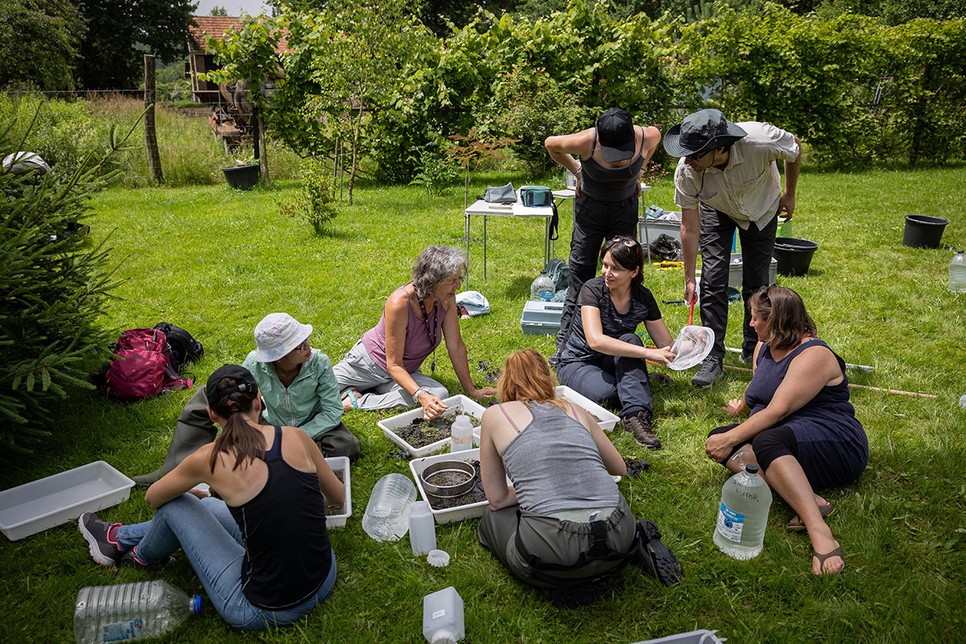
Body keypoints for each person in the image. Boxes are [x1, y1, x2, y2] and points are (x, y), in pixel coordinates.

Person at [80, 365, 346, 629]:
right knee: (206, 503)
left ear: (211, 414)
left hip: (261, 609)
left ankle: (137, 553)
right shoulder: (296, 436)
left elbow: (153, 498)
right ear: (258, 402)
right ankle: (119, 540)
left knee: (177, 504)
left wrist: (186, 491)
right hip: (323, 578)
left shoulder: (209, 457)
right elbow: (337, 496)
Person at [477, 350, 683, 606]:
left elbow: (496, 499)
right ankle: (632, 549)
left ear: (505, 383)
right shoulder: (575, 410)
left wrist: (534, 489)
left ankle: (561, 581)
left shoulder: (495, 414)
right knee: (603, 527)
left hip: (552, 548)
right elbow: (618, 467)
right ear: (547, 378)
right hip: (619, 531)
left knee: (492, 517)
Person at [704, 287, 868, 576]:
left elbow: (777, 411)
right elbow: (762, 388)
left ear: (779, 321)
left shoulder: (814, 354)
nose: (751, 324)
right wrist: (741, 408)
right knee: (721, 435)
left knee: (758, 440)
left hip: (835, 441)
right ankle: (807, 498)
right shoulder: (764, 344)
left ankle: (820, 532)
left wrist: (733, 436)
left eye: (757, 319)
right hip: (787, 436)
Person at [132, 313, 359, 486]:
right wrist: (259, 431)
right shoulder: (254, 363)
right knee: (209, 393)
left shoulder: (319, 362)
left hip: (315, 425)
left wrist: (298, 436)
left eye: (307, 339)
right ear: (279, 356)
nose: (308, 347)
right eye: (299, 345)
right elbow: (235, 399)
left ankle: (287, 461)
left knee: (345, 445)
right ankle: (178, 467)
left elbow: (331, 411)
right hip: (270, 424)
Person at [663, 108, 801, 388]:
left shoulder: (760, 141)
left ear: (719, 148)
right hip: (717, 208)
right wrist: (690, 278)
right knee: (713, 280)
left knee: (756, 283)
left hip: (762, 209)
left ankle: (755, 349)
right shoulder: (687, 170)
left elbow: (795, 148)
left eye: (695, 154)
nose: (687, 160)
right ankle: (712, 356)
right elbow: (689, 227)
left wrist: (789, 194)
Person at [544, 108, 662, 363]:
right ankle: (565, 346)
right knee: (581, 275)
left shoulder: (646, 137)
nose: (619, 160)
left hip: (624, 209)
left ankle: (617, 342)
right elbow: (551, 145)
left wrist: (638, 172)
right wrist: (577, 171)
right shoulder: (586, 140)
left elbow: (657, 137)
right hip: (591, 211)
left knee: (621, 274)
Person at [332, 245, 496, 419]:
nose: (457, 286)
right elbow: (393, 365)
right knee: (315, 390)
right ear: (432, 282)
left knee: (439, 395)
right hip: (366, 365)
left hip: (405, 372)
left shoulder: (446, 297)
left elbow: (455, 346)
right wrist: (420, 395)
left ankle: (356, 401)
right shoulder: (400, 303)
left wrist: (471, 390)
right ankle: (362, 388)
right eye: (451, 281)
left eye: (458, 279)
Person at [555, 236, 675, 449]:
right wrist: (647, 354)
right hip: (577, 363)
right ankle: (635, 383)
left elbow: (666, 344)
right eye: (605, 265)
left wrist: (693, 345)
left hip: (612, 359)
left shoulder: (643, 297)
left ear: (634, 272)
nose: (607, 273)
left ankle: (636, 418)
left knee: (631, 339)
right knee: (608, 395)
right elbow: (596, 341)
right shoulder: (592, 289)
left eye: (616, 268)